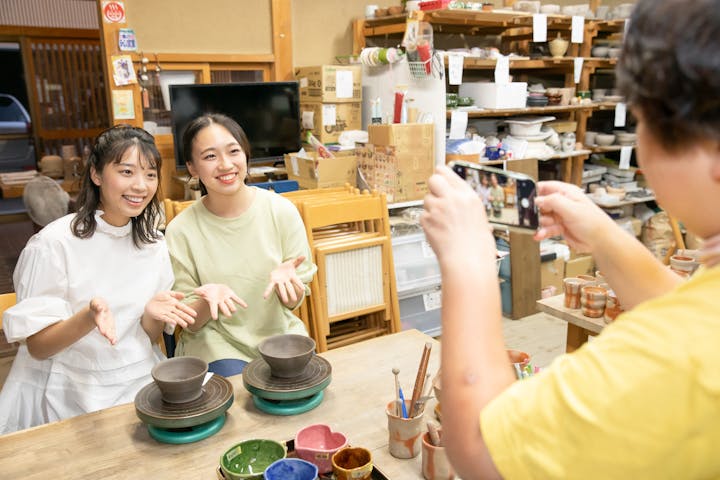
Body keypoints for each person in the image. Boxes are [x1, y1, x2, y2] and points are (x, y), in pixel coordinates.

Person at [420, 0, 720, 477]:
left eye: (642, 120)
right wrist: (605, 236)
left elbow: (481, 447)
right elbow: (687, 310)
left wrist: (470, 262)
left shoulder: (677, 355)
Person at [0, 125, 196, 434]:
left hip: (136, 381)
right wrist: (88, 318)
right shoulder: (54, 244)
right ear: (96, 174)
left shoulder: (153, 245)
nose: (140, 186)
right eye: (127, 172)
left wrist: (152, 315)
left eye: (149, 174)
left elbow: (148, 336)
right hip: (66, 390)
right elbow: (38, 347)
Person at [164, 113, 317, 377]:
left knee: (303, 393)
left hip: (278, 337)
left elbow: (293, 303)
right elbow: (191, 323)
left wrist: (289, 287)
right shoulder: (180, 231)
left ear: (245, 155)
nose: (225, 165)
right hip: (216, 346)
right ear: (192, 167)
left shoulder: (281, 211)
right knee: (237, 398)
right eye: (210, 156)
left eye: (233, 151)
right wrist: (204, 300)